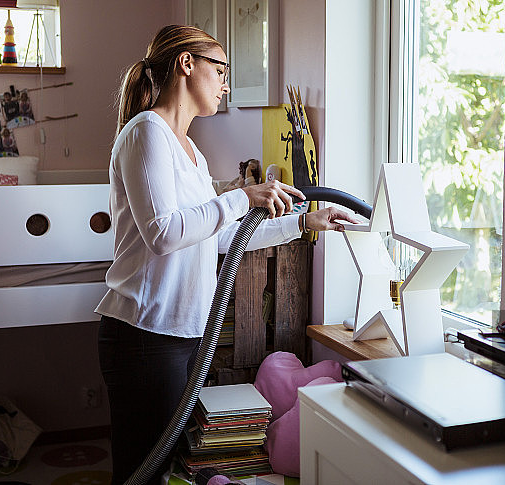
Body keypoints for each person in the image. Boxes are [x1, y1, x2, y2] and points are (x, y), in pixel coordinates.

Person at [95, 25, 357, 484]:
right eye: (220, 71)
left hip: (181, 333)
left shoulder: (191, 150)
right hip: (143, 334)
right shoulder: (146, 132)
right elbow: (163, 233)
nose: (226, 84)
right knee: (142, 469)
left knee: (164, 465)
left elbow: (216, 238)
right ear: (185, 64)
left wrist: (301, 222)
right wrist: (243, 197)